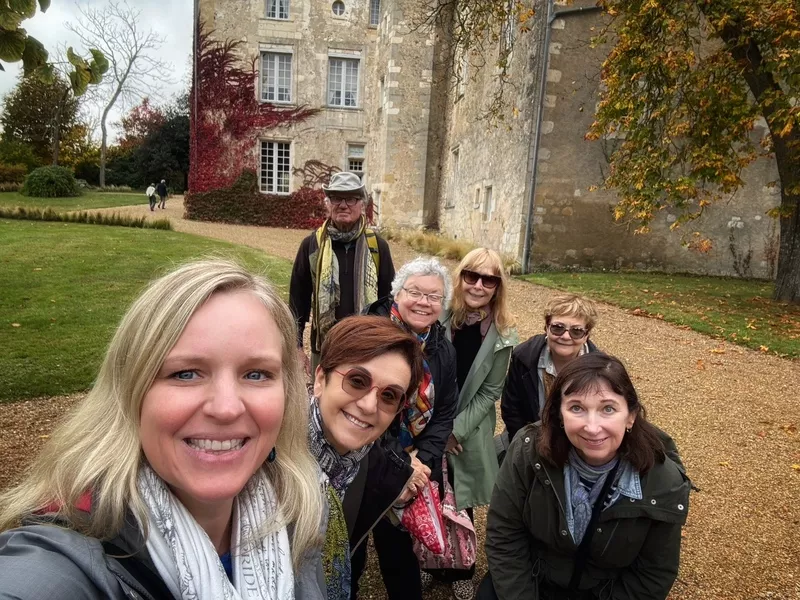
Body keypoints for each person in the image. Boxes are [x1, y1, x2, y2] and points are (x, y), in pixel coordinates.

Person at [0, 259, 326, 600]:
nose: (227, 407)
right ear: (131, 393)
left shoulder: (297, 514)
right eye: (186, 373)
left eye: (256, 374)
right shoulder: (65, 551)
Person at [481, 353, 691, 600]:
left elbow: (653, 573)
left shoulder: (662, 481)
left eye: (608, 409)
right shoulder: (528, 451)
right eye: (577, 408)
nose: (592, 427)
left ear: (631, 416)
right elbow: (505, 534)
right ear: (559, 414)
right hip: (533, 580)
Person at [346, 257, 459, 600]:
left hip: (414, 466)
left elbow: (445, 411)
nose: (424, 302)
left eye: (434, 297)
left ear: (443, 304)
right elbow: (361, 408)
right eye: (415, 292)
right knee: (352, 549)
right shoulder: (369, 336)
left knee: (399, 551)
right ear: (397, 293)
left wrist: (422, 463)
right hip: (365, 458)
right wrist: (403, 464)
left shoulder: (442, 348)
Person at [309, 315, 424, 600]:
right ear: (321, 379)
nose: (369, 405)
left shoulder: (371, 469)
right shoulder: (264, 457)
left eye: (389, 395)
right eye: (357, 381)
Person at [429, 248, 518, 600]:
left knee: (461, 499)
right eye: (472, 276)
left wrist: (455, 430)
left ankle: (461, 568)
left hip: (467, 428)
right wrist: (434, 425)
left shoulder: (502, 333)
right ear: (461, 277)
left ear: (498, 287)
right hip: (430, 419)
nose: (479, 285)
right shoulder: (441, 316)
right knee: (430, 493)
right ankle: (430, 563)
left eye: (489, 279)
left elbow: (490, 392)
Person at [289, 171, 395, 376]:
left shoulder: (377, 246)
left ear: (362, 205)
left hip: (368, 347)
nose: (343, 204)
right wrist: (297, 347)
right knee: (323, 400)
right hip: (325, 347)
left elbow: (389, 301)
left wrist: (386, 345)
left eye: (351, 198)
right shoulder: (312, 245)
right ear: (328, 203)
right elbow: (297, 300)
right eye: (336, 197)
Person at [501, 293, 599, 444]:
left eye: (576, 331)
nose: (566, 336)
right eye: (558, 328)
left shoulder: (601, 369)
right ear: (546, 327)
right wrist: (526, 446)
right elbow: (512, 408)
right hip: (533, 440)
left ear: (587, 335)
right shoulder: (523, 357)